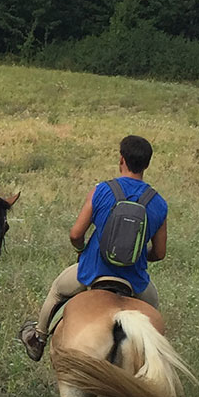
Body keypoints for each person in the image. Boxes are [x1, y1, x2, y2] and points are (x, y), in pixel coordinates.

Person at [18, 134, 169, 361]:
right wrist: (138, 255)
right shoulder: (158, 202)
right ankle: (154, 361)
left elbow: (75, 234)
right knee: (154, 313)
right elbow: (159, 253)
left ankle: (37, 338)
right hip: (134, 279)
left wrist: (82, 249)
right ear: (147, 164)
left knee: (57, 290)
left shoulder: (102, 190)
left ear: (121, 160)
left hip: (93, 271)